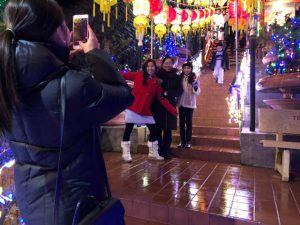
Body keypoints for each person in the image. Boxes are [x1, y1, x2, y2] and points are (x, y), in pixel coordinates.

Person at [0, 0, 133, 224]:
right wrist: (94, 53)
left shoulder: (6, 77)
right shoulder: (73, 86)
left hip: (32, 201)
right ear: (55, 32)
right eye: (63, 25)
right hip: (74, 205)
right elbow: (122, 95)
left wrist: (58, 61)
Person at [120, 59, 177, 162]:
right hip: (134, 107)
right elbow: (123, 75)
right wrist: (108, 72)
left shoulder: (156, 82)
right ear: (145, 68)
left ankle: (153, 153)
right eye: (148, 66)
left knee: (154, 130)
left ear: (155, 68)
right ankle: (126, 153)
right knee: (128, 129)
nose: (150, 68)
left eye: (152, 66)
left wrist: (173, 110)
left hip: (145, 110)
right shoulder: (138, 75)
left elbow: (161, 99)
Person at [152, 56, 183, 160]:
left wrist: (168, 92)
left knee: (168, 130)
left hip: (170, 104)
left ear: (172, 64)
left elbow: (179, 90)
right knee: (157, 129)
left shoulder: (176, 75)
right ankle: (160, 149)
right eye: (166, 63)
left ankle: (166, 150)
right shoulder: (157, 74)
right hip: (158, 104)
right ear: (162, 63)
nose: (168, 65)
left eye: (170, 63)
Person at [177, 61, 200, 149]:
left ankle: (188, 141)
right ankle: (182, 140)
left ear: (191, 69)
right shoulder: (180, 78)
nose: (186, 70)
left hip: (190, 103)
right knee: (181, 123)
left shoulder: (194, 78)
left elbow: (197, 92)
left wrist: (195, 87)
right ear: (182, 69)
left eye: (188, 68)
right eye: (185, 68)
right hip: (181, 104)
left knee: (189, 123)